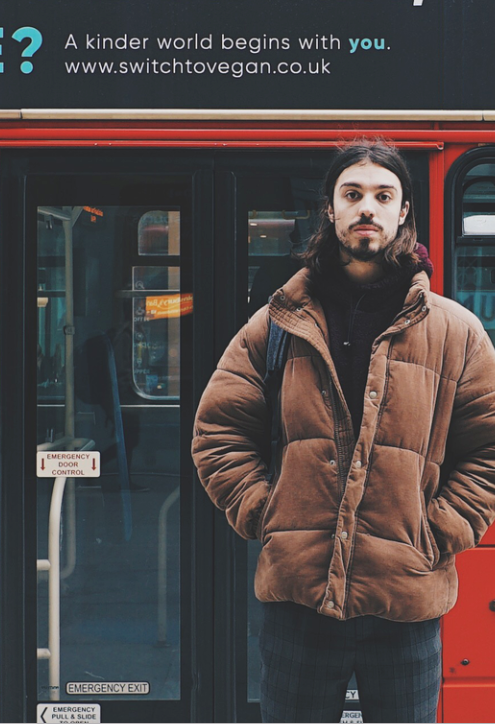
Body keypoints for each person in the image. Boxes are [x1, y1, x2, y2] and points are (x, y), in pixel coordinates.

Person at [192, 140, 495, 724]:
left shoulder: (456, 332)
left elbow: (488, 452)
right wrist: (268, 513)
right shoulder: (277, 321)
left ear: (404, 211)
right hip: (300, 604)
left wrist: (435, 532)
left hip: (405, 602)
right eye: (352, 194)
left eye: (384, 196)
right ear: (329, 209)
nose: (367, 208)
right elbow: (217, 433)